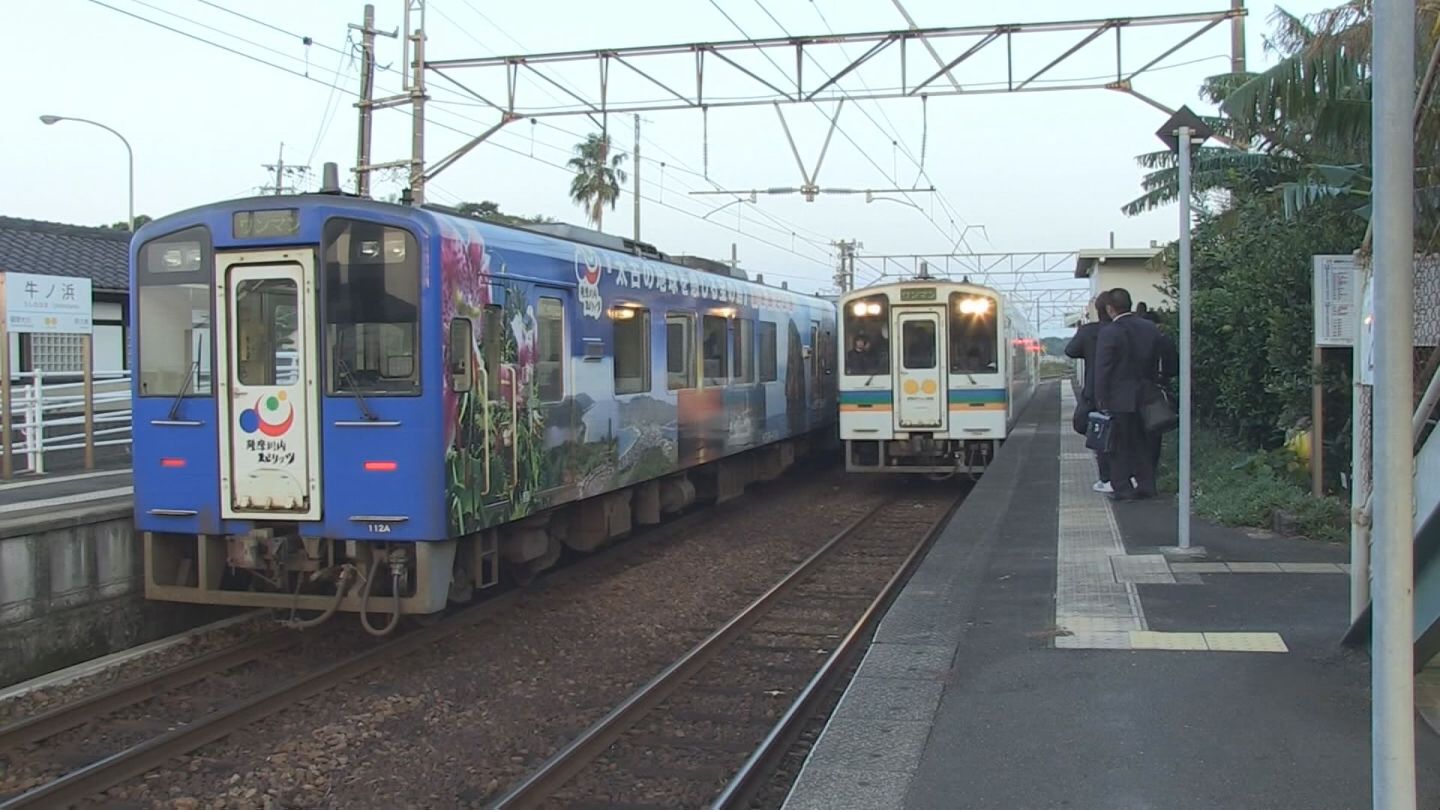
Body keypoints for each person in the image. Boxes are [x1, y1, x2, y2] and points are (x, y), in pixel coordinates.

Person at [1094, 287, 1163, 501]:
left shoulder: (1109, 332)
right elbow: (1156, 361)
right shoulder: (1149, 328)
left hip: (1118, 397)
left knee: (1118, 445)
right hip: (1145, 394)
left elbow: (1104, 367)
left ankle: (1123, 488)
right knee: (1143, 442)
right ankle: (1147, 485)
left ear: (1110, 308)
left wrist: (1101, 397)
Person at [1065, 292, 1113, 493]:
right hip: (1133, 392)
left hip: (1097, 391)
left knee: (1101, 435)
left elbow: (1070, 351)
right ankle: (1132, 476)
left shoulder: (1089, 332)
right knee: (1131, 435)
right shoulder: (1134, 328)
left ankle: (1107, 478)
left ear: (1099, 310)